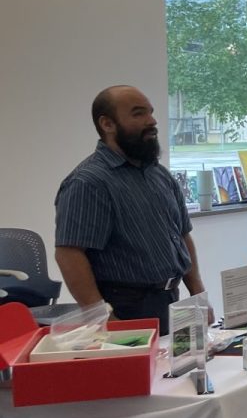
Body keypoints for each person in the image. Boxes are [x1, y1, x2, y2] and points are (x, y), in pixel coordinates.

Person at [54, 86, 206, 333]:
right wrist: (103, 318)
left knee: (178, 370)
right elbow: (69, 254)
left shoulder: (159, 174)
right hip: (124, 308)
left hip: (168, 300)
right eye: (138, 114)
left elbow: (182, 235)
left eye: (150, 112)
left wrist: (198, 293)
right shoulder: (89, 182)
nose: (152, 121)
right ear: (107, 124)